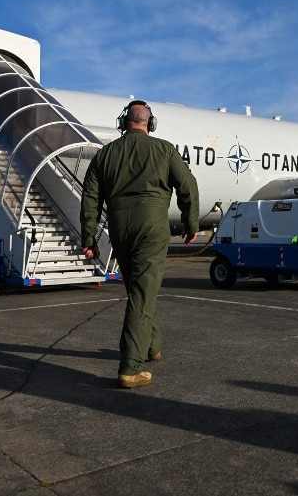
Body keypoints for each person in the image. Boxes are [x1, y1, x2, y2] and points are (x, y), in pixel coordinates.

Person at [80, 100, 200, 389]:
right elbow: (188, 186)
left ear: (124, 122)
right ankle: (130, 367)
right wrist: (191, 223)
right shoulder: (164, 149)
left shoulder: (105, 155)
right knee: (143, 294)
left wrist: (88, 239)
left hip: (120, 229)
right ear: (151, 123)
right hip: (152, 229)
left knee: (140, 290)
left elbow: (90, 200)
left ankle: (150, 347)